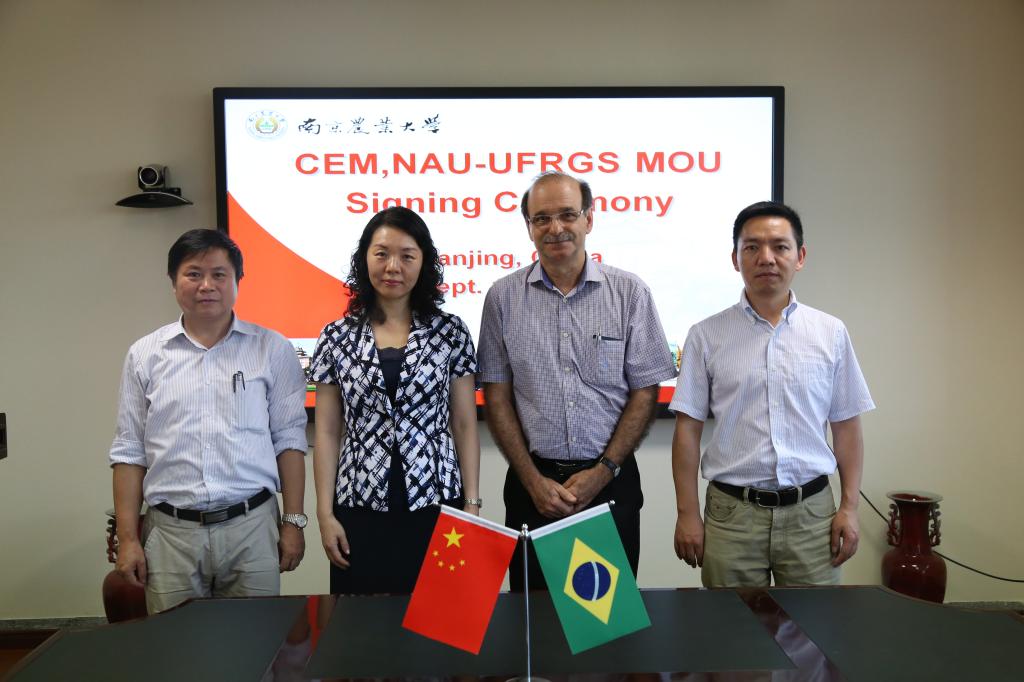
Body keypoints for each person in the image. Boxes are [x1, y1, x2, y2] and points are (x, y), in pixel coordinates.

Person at [478, 172, 677, 590]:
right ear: (528, 227)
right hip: (533, 489)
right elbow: (496, 397)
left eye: (568, 214)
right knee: (534, 617)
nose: (555, 228)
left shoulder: (630, 293)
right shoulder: (502, 298)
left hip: (610, 484)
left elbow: (645, 392)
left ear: (589, 218)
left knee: (606, 620)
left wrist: (603, 472)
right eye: (542, 218)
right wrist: (532, 480)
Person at [671, 201, 875, 587]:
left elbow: (847, 427)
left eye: (780, 246)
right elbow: (687, 430)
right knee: (733, 622)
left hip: (812, 516)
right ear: (735, 258)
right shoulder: (706, 335)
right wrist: (687, 514)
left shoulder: (830, 333)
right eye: (752, 247)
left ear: (800, 256)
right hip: (732, 516)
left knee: (814, 624)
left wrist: (849, 507)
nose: (766, 258)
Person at [110, 229, 308, 614]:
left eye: (219, 274)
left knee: (255, 642)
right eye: (193, 274)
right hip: (170, 534)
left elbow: (289, 440)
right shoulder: (145, 355)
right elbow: (129, 451)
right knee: (175, 645)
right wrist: (128, 538)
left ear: (237, 281)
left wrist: (293, 522)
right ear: (173, 282)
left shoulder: (273, 349)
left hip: (251, 527)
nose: (206, 286)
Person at [309, 206, 481, 595]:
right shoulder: (336, 336)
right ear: (364, 258)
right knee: (360, 622)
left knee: (438, 617)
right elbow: (328, 430)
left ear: (424, 263)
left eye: (407, 256)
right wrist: (324, 513)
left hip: (437, 501)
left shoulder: (450, 332)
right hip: (358, 503)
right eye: (382, 253)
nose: (393, 267)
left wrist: (471, 505)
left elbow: (464, 423)